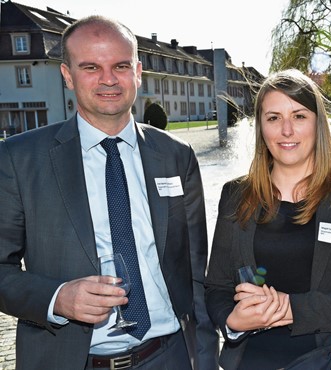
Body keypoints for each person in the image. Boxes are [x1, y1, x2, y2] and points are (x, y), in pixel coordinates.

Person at [0, 15, 219, 370]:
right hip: (70, 361)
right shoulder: (19, 159)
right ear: (67, 75)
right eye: (91, 67)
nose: (108, 79)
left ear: (138, 72)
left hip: (169, 357)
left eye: (120, 65)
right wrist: (57, 299)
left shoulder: (177, 156)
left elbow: (195, 273)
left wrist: (206, 360)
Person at [204, 69, 331, 370]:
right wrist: (231, 320)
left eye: (299, 116)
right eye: (273, 118)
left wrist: (292, 309)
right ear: (261, 128)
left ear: (318, 123)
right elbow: (216, 286)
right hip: (252, 362)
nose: (287, 131)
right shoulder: (236, 195)